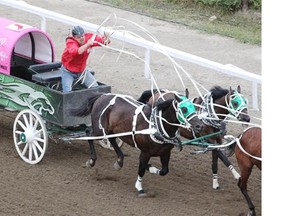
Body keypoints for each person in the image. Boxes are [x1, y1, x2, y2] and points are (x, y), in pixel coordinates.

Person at [60, 26, 110, 93]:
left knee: (96, 88)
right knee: (67, 93)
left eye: (82, 36)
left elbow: (104, 42)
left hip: (82, 71)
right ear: (74, 37)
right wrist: (87, 45)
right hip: (68, 72)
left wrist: (107, 38)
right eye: (78, 37)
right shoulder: (70, 42)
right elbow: (77, 52)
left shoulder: (88, 37)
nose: (81, 38)